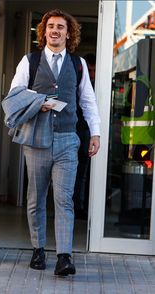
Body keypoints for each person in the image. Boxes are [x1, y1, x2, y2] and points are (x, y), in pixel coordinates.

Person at [3, 9, 100, 276]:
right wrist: (38, 102)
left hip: (68, 139)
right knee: (36, 198)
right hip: (36, 140)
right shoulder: (30, 61)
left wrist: (95, 133)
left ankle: (64, 256)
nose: (55, 31)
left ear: (69, 34)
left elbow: (88, 102)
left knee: (64, 200)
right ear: (44, 32)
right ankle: (38, 249)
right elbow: (14, 96)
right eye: (51, 27)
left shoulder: (78, 64)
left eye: (61, 27)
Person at [73, 53, 96, 220]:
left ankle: (79, 206)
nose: (92, 74)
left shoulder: (99, 85)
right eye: (90, 70)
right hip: (72, 130)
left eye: (94, 70)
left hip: (87, 132)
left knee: (83, 171)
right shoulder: (76, 82)